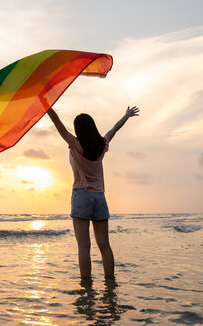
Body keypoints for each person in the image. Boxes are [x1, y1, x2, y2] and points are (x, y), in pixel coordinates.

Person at [47, 106, 139, 279]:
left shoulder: (74, 143)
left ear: (78, 130)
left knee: (83, 246)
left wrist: (46, 105)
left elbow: (56, 121)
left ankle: (86, 286)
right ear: (93, 127)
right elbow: (114, 129)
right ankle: (110, 283)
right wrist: (126, 115)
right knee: (104, 245)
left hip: (81, 195)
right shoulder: (102, 145)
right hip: (99, 198)